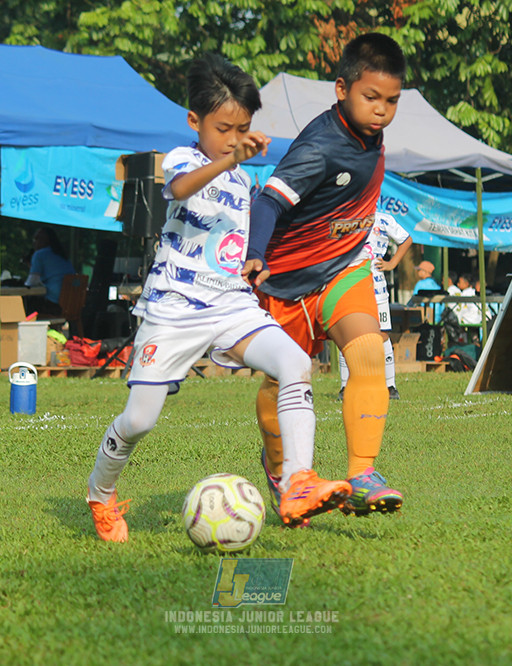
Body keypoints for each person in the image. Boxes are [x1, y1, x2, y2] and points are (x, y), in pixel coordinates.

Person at [86, 54, 351, 543]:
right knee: (139, 420)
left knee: (294, 362)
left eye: (242, 128)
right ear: (195, 122)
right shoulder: (184, 159)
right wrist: (230, 158)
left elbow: (237, 236)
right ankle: (101, 495)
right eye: (224, 128)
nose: (233, 138)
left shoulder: (240, 176)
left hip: (230, 305)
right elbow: (181, 189)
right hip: (172, 312)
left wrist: (255, 258)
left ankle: (296, 481)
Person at [245, 33, 406, 517]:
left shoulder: (372, 135)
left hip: (344, 270)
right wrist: (255, 254)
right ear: (341, 89)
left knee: (368, 354)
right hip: (288, 284)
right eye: (370, 97)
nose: (381, 110)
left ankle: (361, 474)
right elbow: (268, 200)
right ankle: (281, 472)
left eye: (391, 101)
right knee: (282, 388)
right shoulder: (319, 145)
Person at [337, 211, 413, 401]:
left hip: (376, 287)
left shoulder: (383, 219)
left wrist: (392, 263)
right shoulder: (343, 216)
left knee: (382, 334)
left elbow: (406, 239)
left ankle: (390, 386)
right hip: (348, 285)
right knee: (346, 333)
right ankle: (345, 386)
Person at [23, 227, 74, 317]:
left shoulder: (39, 254)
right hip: (70, 303)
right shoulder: (62, 255)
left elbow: (32, 282)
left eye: (36, 239)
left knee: (25, 302)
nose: (34, 242)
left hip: (54, 303)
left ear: (45, 241)